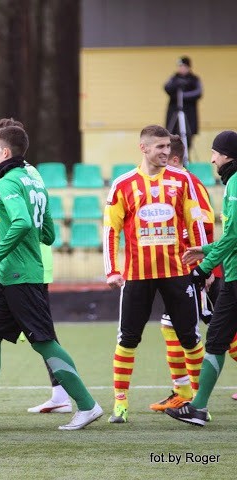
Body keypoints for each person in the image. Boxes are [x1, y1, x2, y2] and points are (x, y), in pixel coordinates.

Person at [0, 126, 102, 431]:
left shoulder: (8, 182)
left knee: (44, 343)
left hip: (20, 276)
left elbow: (21, 222)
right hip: (13, 277)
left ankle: (88, 405)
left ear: (5, 152)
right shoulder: (33, 179)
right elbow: (48, 232)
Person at [103, 125, 207, 424]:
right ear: (143, 148)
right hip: (138, 275)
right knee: (128, 339)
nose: (165, 152)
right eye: (159, 147)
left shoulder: (181, 180)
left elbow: (196, 221)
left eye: (167, 147)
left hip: (177, 272)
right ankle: (120, 403)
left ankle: (199, 403)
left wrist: (204, 261)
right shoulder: (123, 184)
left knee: (190, 338)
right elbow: (111, 229)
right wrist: (112, 270)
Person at [166, 130, 237, 426]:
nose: (212, 159)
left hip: (234, 279)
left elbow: (233, 235)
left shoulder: (234, 182)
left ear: (228, 155)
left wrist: (203, 267)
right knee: (219, 341)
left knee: (217, 341)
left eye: (216, 153)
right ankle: (197, 405)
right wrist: (205, 249)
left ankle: (197, 407)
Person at [150, 134, 218, 412]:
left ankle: (188, 394)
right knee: (176, 326)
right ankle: (182, 391)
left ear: (174, 159)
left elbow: (205, 225)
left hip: (197, 270)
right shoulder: (172, 185)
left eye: (166, 154)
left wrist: (208, 266)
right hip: (182, 270)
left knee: (222, 332)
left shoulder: (188, 183)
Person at [164, 56, 202, 150]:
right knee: (172, 137)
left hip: (189, 113)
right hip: (174, 112)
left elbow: (198, 92)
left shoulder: (194, 79)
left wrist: (183, 96)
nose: (181, 69)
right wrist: (176, 86)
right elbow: (166, 87)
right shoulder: (174, 78)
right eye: (179, 66)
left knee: (187, 138)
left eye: (183, 66)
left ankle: (186, 157)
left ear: (188, 67)